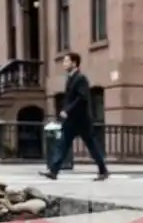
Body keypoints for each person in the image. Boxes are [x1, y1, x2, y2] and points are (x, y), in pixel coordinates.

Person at [41, 52, 110, 181]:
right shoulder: (70, 78)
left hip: (82, 120)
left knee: (91, 145)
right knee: (63, 144)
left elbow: (81, 98)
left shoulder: (81, 78)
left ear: (74, 63)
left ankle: (103, 170)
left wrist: (67, 110)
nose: (64, 64)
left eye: (67, 61)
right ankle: (54, 171)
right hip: (71, 121)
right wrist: (65, 110)